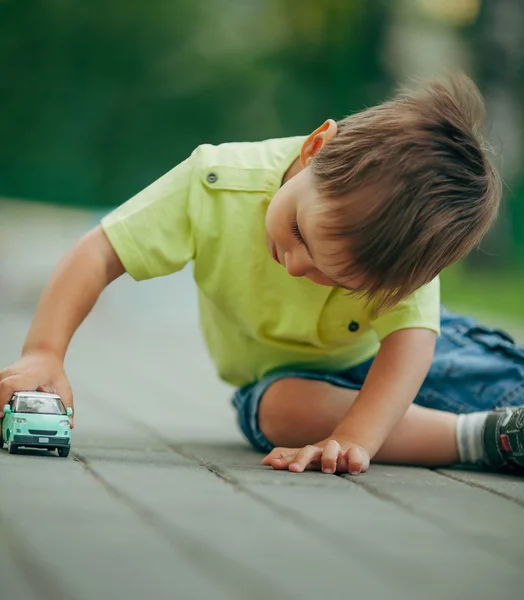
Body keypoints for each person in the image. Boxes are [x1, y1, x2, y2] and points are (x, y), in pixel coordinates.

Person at [1, 74, 523, 475]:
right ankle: (482, 437)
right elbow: (100, 252)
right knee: (277, 414)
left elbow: (411, 344)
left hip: (406, 358)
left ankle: (499, 423)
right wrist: (45, 350)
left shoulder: (399, 249)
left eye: (337, 278)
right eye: (298, 231)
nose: (297, 266)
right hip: (290, 384)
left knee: (501, 383)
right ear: (317, 147)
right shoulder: (217, 184)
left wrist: (357, 436)